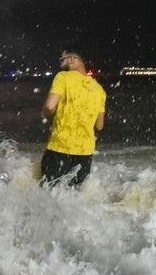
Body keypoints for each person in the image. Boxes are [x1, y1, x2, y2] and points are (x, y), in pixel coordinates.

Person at [40, 45, 106, 189]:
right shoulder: (98, 89)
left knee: (48, 195)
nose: (60, 63)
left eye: (62, 59)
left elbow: (50, 106)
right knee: (74, 196)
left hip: (60, 148)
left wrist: (45, 112)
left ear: (72, 59)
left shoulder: (63, 77)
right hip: (85, 154)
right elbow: (99, 125)